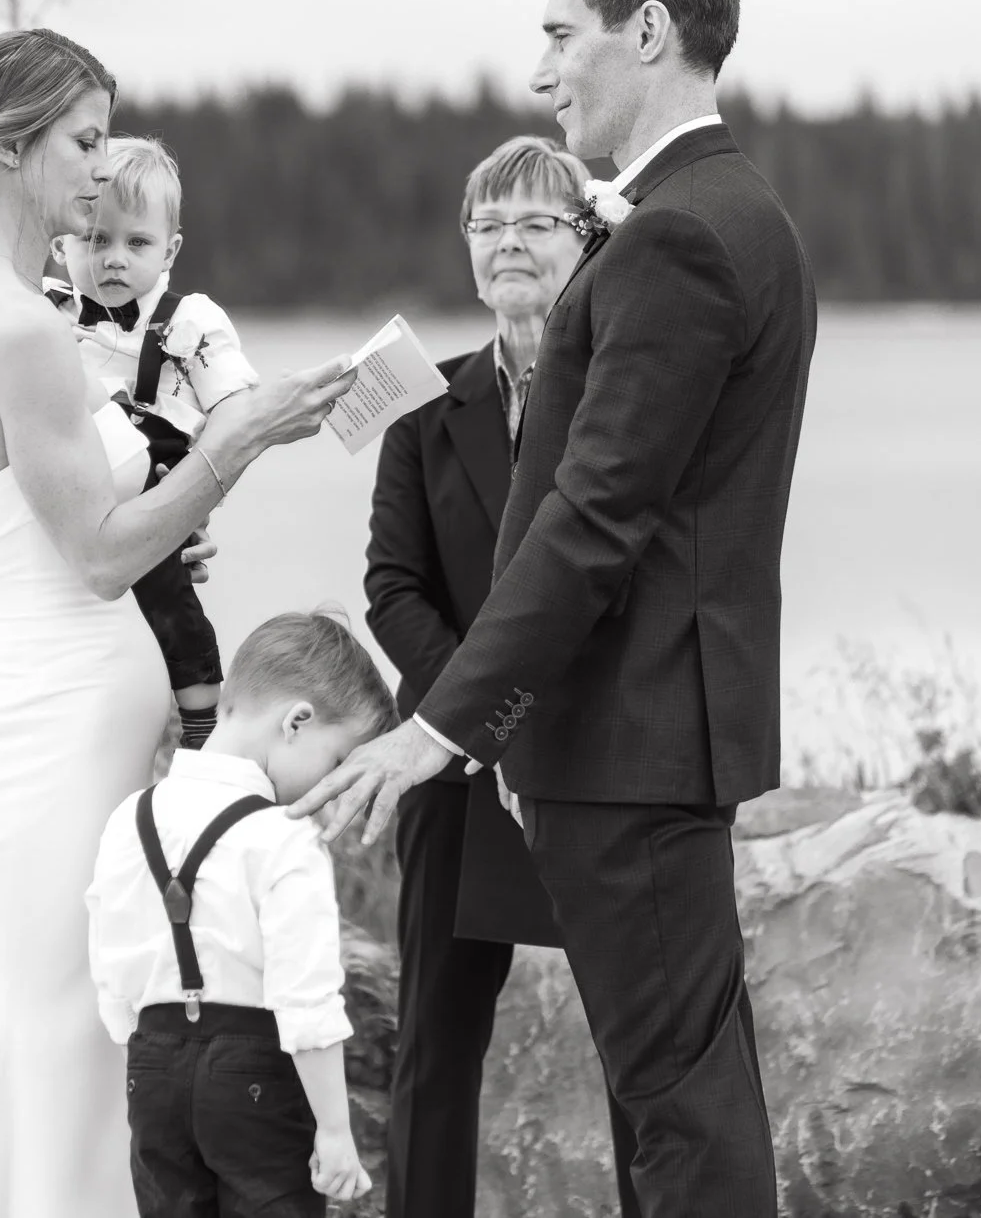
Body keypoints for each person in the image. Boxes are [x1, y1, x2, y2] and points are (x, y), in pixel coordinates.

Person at [297, 0, 816, 1218]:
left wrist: (444, 729)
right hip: (653, 736)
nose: (542, 73)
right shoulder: (727, 212)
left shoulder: (678, 238)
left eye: (560, 35)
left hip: (627, 745)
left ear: (647, 31)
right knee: (685, 1098)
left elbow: (594, 514)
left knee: (680, 1118)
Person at [0, 27, 357, 1218]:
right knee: (42, 1037)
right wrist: (234, 446)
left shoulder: (16, 310)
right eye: (83, 141)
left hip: (75, 731)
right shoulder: (15, 327)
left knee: (70, 1036)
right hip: (48, 741)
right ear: (16, 147)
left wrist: (174, 504)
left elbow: (89, 522)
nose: (100, 167)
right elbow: (94, 558)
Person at [362, 133, 582, 1218]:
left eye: (534, 223)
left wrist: (526, 726)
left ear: (583, 242)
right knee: (435, 1047)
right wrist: (474, 723)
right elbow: (392, 589)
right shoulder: (416, 409)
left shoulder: (618, 400)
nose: (506, 244)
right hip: (451, 772)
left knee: (643, 1045)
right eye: (486, 225)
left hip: (590, 760)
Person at [86, 610, 391, 1216]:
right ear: (297, 722)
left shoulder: (131, 817)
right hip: (254, 1075)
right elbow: (307, 999)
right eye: (336, 764)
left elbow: (110, 971)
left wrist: (154, 1050)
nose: (333, 792)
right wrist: (333, 1131)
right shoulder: (282, 836)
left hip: (151, 1069)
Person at [48, 135, 259, 748]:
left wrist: (197, 489)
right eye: (96, 239)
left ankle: (199, 712)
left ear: (171, 249)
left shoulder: (188, 319)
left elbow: (236, 410)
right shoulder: (45, 313)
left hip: (156, 474)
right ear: (61, 242)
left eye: (136, 243)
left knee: (168, 592)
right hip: (67, 479)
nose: (114, 259)